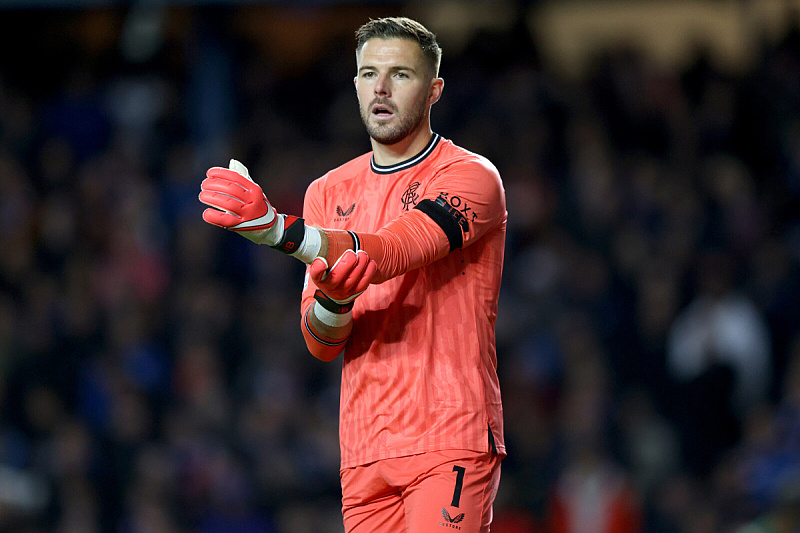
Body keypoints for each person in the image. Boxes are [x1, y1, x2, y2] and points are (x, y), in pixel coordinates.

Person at [199, 17, 507, 533]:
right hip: (364, 452)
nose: (380, 88)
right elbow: (321, 342)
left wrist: (277, 230)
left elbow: (392, 249)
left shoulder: (471, 177)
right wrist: (336, 302)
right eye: (368, 73)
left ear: (434, 91)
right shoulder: (327, 191)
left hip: (448, 435)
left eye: (400, 75)